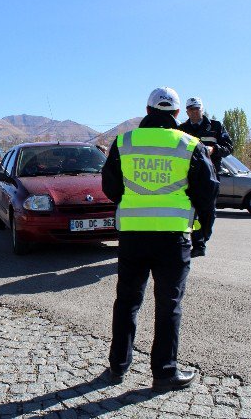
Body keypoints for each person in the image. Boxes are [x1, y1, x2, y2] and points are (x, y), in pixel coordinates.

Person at [101, 87, 219, 391]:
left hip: (132, 237)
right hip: (173, 238)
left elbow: (110, 187)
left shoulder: (124, 141)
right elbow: (207, 194)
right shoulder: (189, 144)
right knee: (169, 306)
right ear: (177, 114)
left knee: (127, 301)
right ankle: (164, 373)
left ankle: (117, 367)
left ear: (148, 110)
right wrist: (202, 234)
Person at [178, 97, 233, 257]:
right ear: (186, 111)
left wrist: (214, 149)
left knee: (208, 213)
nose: (194, 112)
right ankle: (198, 244)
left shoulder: (216, 126)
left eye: (197, 109)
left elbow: (229, 147)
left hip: (210, 177)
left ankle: (203, 237)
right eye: (191, 109)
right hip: (187, 177)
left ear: (202, 109)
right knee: (191, 212)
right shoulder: (182, 129)